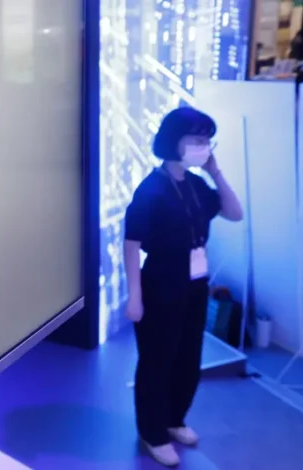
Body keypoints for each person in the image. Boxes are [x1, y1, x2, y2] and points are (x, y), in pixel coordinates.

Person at [123, 107, 243, 467]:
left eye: (207, 141)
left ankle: (174, 419)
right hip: (161, 281)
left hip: (195, 283)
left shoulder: (196, 185)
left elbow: (234, 212)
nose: (203, 146)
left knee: (188, 357)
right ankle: (152, 432)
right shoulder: (151, 189)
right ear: (174, 141)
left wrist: (215, 171)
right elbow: (131, 244)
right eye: (196, 139)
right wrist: (134, 297)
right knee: (157, 360)